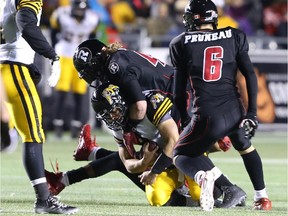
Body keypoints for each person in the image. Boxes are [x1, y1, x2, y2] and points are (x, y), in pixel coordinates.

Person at [45, 82, 246, 207]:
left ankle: (226, 191)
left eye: (113, 111)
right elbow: (126, 164)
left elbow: (175, 141)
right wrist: (144, 164)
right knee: (157, 199)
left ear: (122, 103)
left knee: (201, 190)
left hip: (184, 156)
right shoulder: (119, 125)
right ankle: (188, 202)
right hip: (160, 164)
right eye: (106, 115)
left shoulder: (152, 104)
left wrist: (153, 168)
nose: (112, 117)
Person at [169, 0, 272, 212]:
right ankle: (262, 198)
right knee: (245, 146)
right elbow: (249, 74)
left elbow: (178, 92)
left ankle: (203, 177)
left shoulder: (181, 42)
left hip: (207, 115)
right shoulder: (234, 35)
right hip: (235, 110)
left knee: (180, 153)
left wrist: (185, 121)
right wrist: (251, 113)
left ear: (192, 18)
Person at [0, 0, 78, 214]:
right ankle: (44, 200)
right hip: (13, 69)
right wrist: (52, 55)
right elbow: (24, 21)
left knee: (17, 136)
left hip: (4, 69)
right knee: (33, 135)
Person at [50, 0, 100, 138]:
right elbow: (54, 32)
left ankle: (77, 126)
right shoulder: (61, 15)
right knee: (62, 90)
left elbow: (93, 37)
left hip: (80, 58)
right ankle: (58, 125)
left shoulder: (92, 18)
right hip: (64, 55)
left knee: (79, 92)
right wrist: (54, 51)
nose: (79, 14)